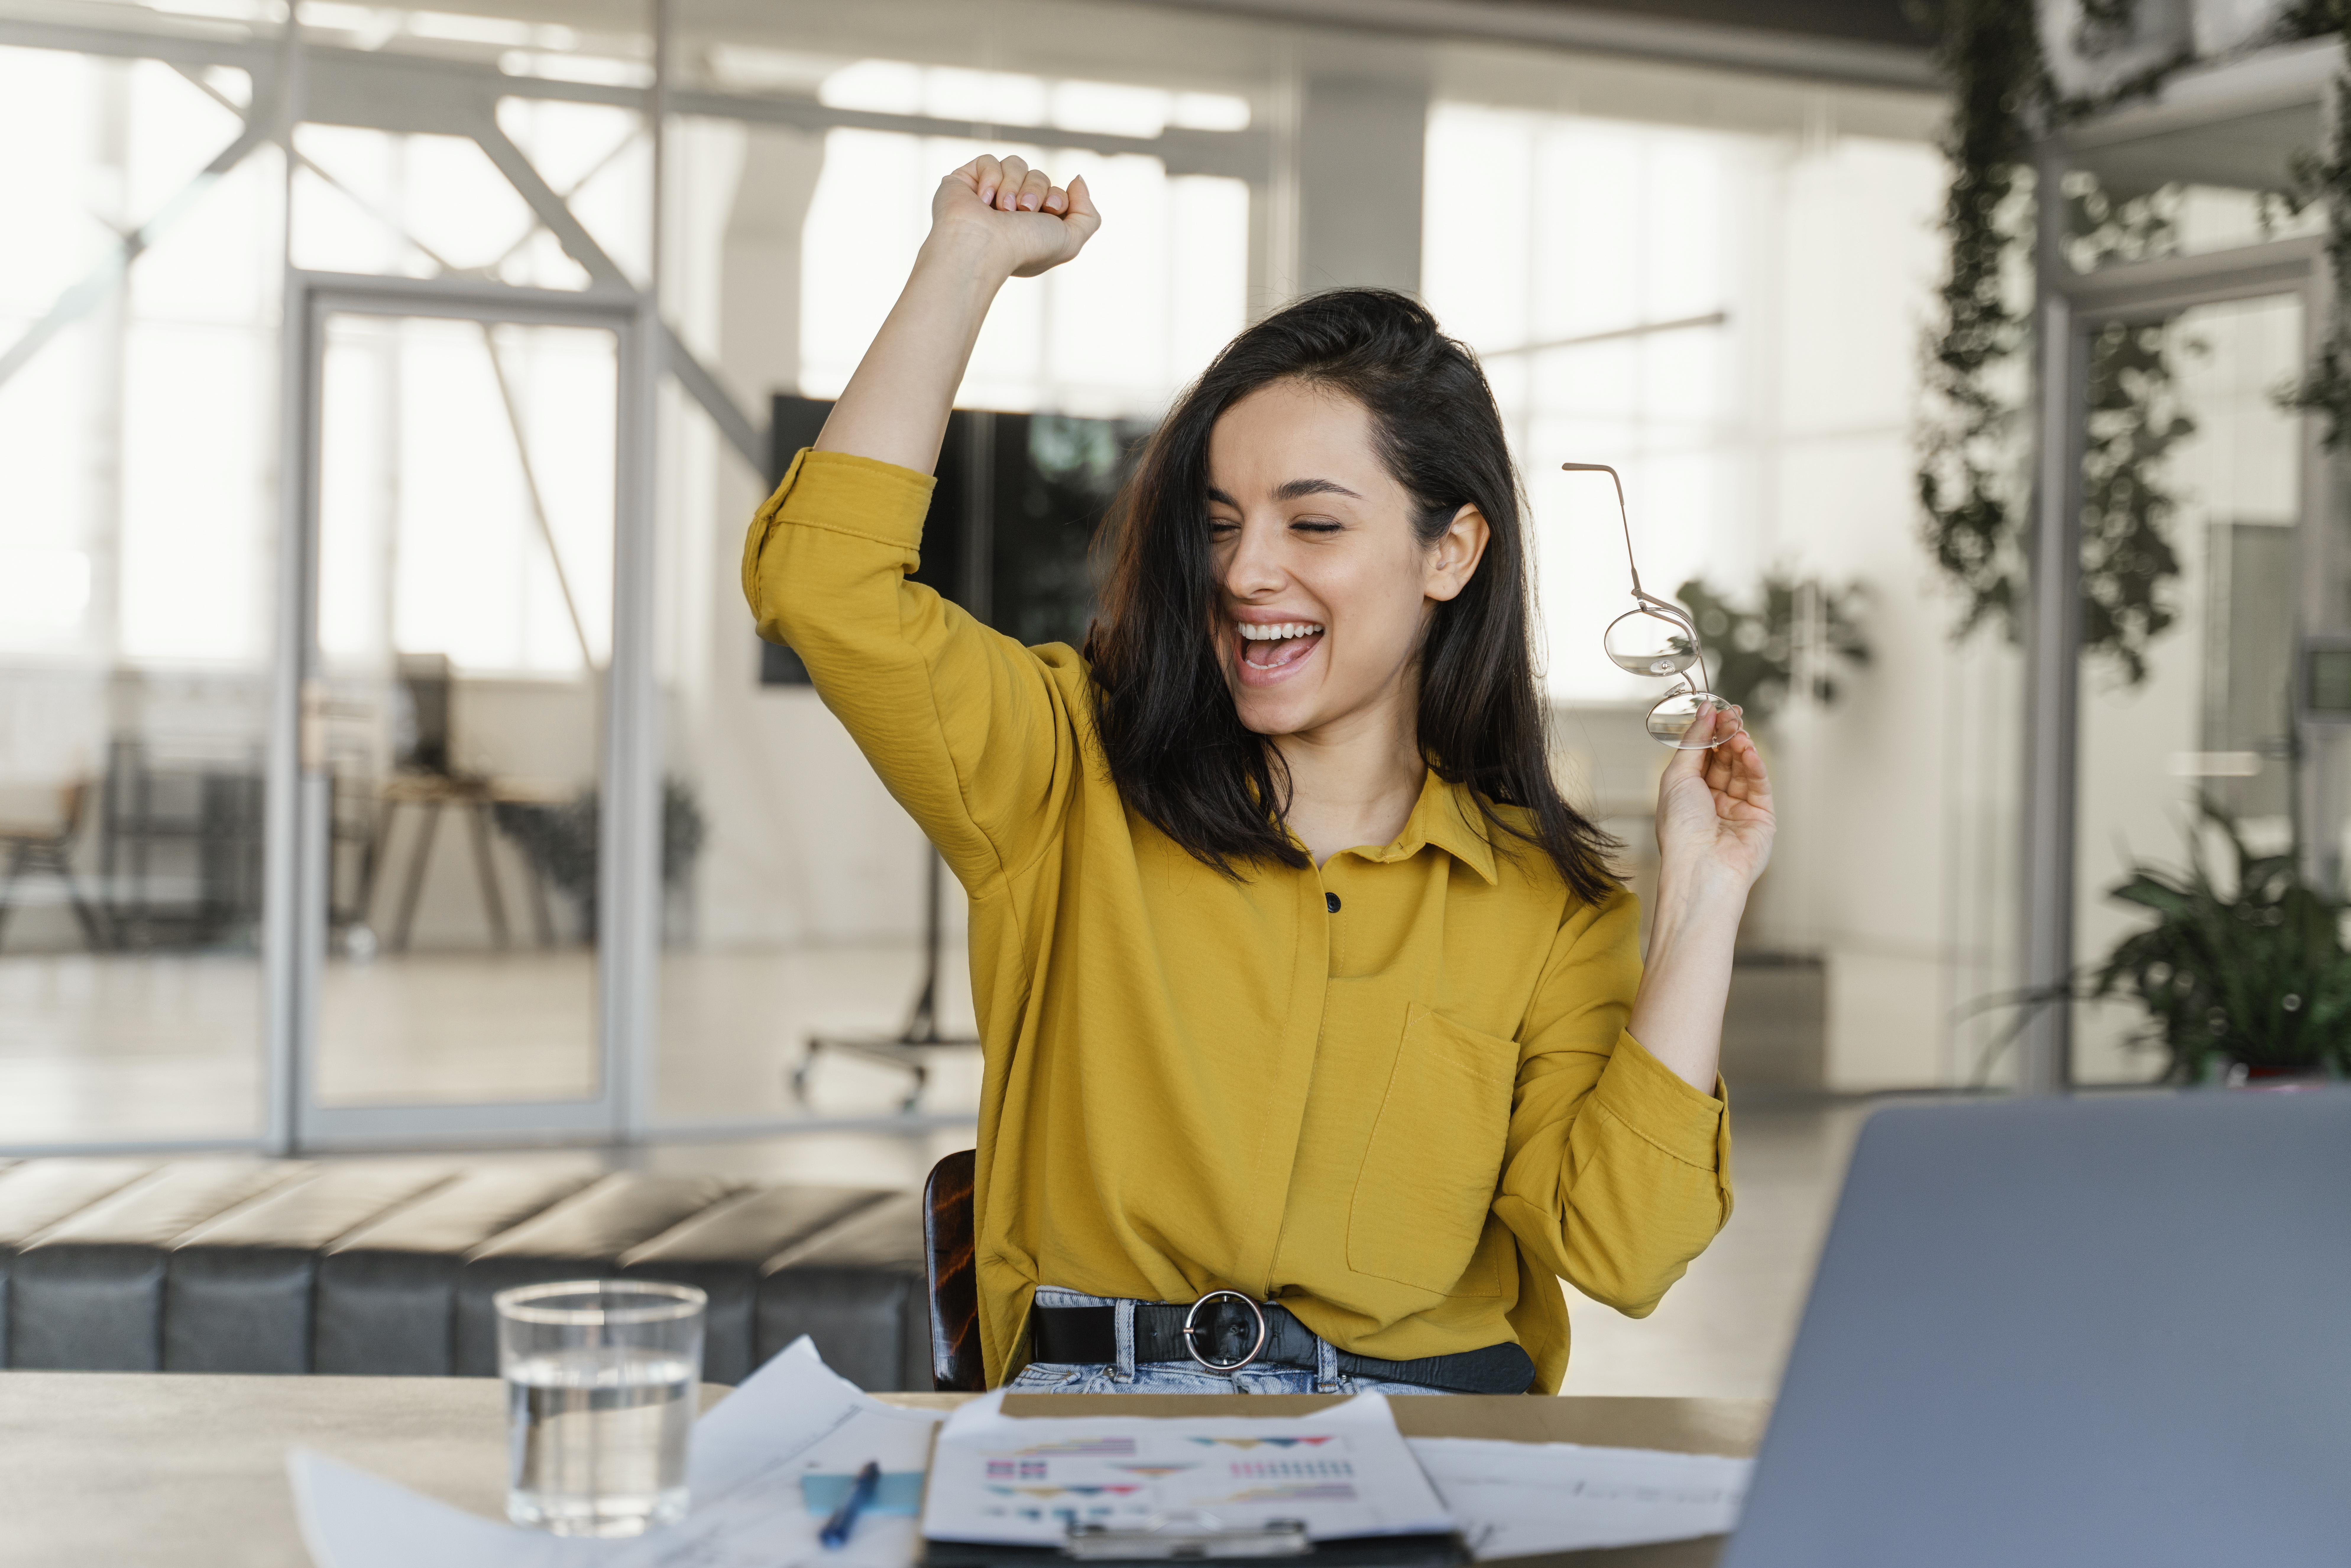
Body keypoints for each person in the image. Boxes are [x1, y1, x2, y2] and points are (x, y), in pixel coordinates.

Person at [744, 155, 1774, 1395]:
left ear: (1449, 551)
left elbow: (1621, 1249)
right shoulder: (1063, 775)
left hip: (1426, 1426)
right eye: (1220, 523)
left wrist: (1701, 902)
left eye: (1314, 522)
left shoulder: (1549, 905)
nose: (1243, 572)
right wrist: (962, 263)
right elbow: (823, 588)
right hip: (1101, 1420)